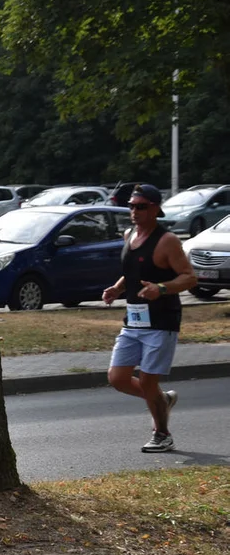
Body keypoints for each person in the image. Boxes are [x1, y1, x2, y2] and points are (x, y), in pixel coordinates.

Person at [102, 184, 197, 453]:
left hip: (162, 321)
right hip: (133, 319)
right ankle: (161, 400)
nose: (134, 211)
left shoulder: (167, 241)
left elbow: (189, 277)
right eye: (131, 206)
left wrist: (162, 288)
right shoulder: (128, 234)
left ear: (155, 208)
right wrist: (117, 288)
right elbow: (133, 270)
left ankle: (162, 433)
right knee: (117, 378)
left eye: (141, 206)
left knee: (147, 380)